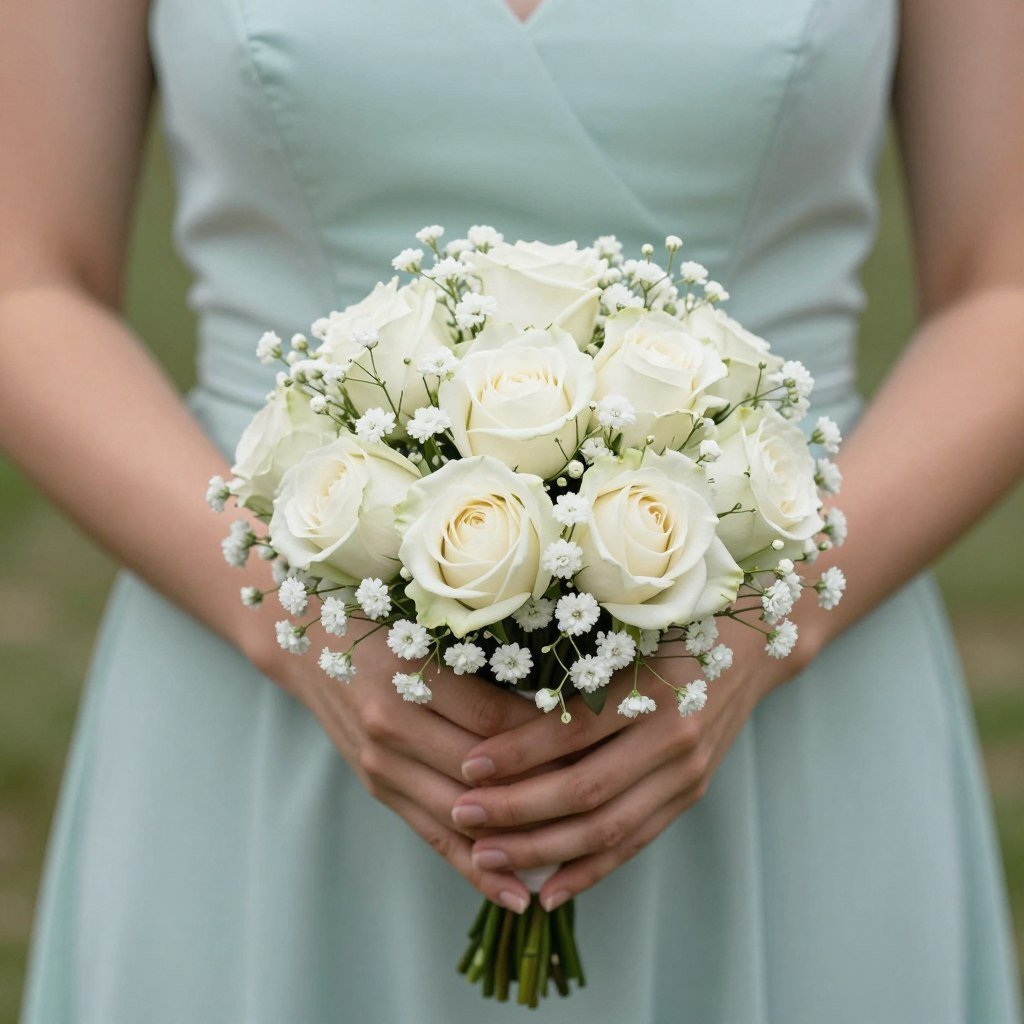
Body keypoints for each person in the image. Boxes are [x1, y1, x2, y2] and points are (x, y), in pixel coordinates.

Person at [2, 0, 1022, 1019]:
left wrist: (774, 614)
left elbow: (1002, 287)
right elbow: (26, 282)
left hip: (795, 722)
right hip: (258, 704)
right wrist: (289, 611)